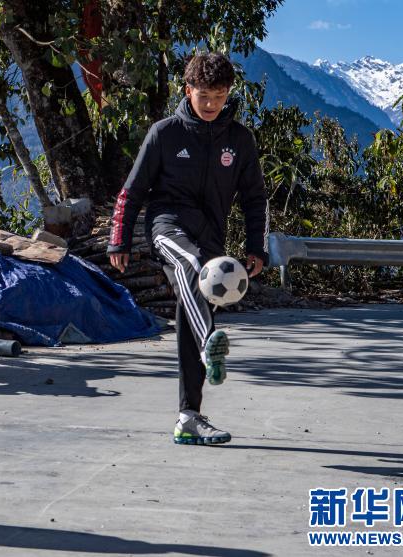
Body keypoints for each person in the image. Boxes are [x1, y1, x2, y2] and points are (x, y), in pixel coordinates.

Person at [108, 52, 268, 446]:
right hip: (167, 227)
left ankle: (188, 418)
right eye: (204, 96)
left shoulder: (240, 140)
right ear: (188, 90)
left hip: (212, 238)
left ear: (228, 93)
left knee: (191, 310)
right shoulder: (164, 133)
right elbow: (132, 190)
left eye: (219, 96)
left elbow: (255, 198)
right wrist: (119, 238)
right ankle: (210, 344)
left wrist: (256, 248)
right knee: (192, 265)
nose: (211, 104)